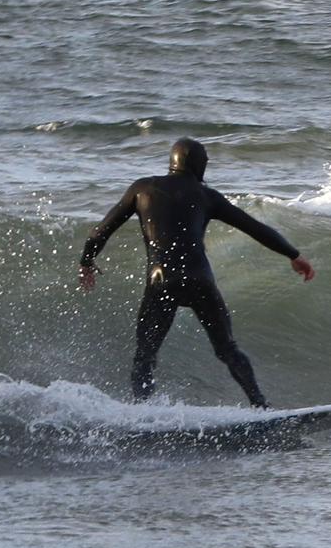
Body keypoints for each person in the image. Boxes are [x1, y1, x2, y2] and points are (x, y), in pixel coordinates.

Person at [79, 138, 315, 407]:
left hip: (161, 281)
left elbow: (100, 231)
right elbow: (254, 228)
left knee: (144, 356)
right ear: (199, 165)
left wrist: (87, 262)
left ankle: (141, 414)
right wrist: (294, 255)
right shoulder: (207, 196)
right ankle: (261, 406)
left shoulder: (143, 189)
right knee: (228, 349)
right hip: (199, 280)